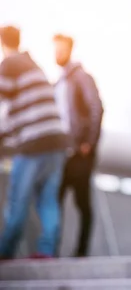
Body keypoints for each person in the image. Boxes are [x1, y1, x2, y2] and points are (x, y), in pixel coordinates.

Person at [0, 25, 67, 259]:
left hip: (34, 142)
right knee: (48, 200)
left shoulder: (9, 65)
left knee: (18, 199)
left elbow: (2, 106)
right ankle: (47, 250)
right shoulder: (34, 65)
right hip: (57, 141)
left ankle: (6, 250)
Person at [54, 34, 104, 257]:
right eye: (55, 49)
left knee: (82, 203)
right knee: (55, 200)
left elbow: (96, 107)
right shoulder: (59, 82)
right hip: (62, 153)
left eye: (60, 49)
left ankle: (81, 252)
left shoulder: (80, 77)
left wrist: (88, 143)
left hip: (80, 152)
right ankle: (51, 250)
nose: (57, 53)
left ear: (69, 50)